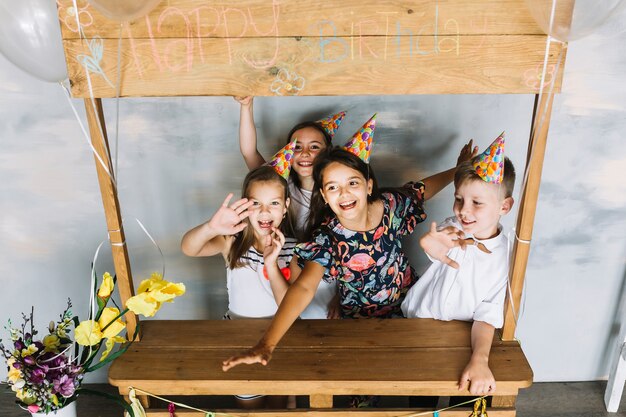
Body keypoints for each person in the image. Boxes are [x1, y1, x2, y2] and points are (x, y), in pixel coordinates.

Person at [222, 116, 477, 372]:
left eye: (352, 183)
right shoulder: (327, 238)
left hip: (409, 307)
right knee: (365, 385)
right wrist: (267, 344)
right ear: (323, 195)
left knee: (413, 377)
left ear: (368, 186)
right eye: (333, 187)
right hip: (357, 324)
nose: (344, 193)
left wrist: (459, 170)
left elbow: (423, 189)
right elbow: (303, 289)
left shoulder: (391, 204)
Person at [181, 143, 297, 409]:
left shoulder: (293, 248)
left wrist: (273, 263)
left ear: (286, 207)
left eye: (274, 203)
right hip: (236, 334)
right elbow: (189, 248)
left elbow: (288, 303)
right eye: (256, 203)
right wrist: (211, 227)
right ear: (244, 206)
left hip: (278, 337)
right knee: (249, 407)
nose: (265, 212)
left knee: (278, 406)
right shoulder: (231, 241)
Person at [401, 132, 516, 397]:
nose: (463, 210)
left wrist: (479, 359)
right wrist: (431, 245)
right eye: (459, 199)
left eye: (477, 203)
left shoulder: (506, 256)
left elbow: (487, 315)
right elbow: (439, 245)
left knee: (465, 391)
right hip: (423, 323)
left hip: (469, 335)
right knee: (419, 394)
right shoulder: (453, 228)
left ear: (504, 207)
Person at [234, 96, 346, 319]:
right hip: (281, 271)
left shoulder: (339, 192)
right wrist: (246, 106)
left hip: (325, 281)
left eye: (314, 147)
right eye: (297, 147)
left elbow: (350, 245)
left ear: (327, 151)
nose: (305, 154)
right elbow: (249, 152)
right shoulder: (277, 184)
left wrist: (342, 296)